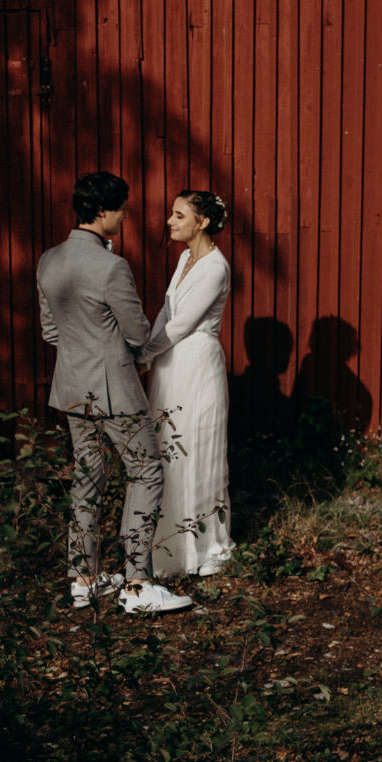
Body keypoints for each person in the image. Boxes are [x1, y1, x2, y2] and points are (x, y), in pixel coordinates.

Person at [36, 171, 194, 615]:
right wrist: (132, 353)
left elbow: (51, 331)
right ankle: (138, 584)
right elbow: (138, 332)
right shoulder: (110, 266)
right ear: (103, 211)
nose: (126, 216)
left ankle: (83, 579)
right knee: (146, 474)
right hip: (115, 390)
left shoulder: (48, 260)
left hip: (70, 387)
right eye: (123, 208)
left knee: (88, 477)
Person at [142, 189, 235, 577]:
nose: (170, 222)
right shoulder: (183, 258)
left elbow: (183, 325)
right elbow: (167, 310)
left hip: (196, 364)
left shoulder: (215, 268)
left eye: (179, 216)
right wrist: (151, 350)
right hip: (170, 363)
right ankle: (167, 545)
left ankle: (203, 545)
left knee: (196, 449)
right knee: (167, 449)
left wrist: (142, 354)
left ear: (203, 222)